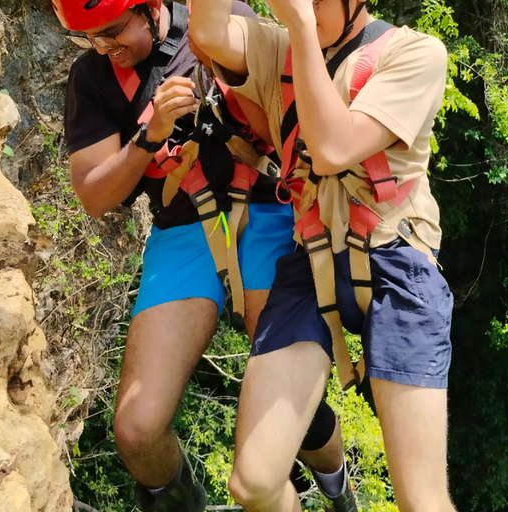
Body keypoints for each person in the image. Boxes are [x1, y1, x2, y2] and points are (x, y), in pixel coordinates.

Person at [51, 0, 356, 510]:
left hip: (266, 208)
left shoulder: (217, 19)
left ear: (149, 8)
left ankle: (337, 488)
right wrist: (148, 138)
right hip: (184, 230)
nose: (105, 48)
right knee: (136, 428)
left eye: (112, 32)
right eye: (92, 39)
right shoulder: (93, 79)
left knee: (285, 397)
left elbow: (290, 107)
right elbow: (94, 196)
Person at [190, 0, 457, 511]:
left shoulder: (416, 53)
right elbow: (206, 29)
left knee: (421, 499)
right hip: (311, 258)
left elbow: (334, 148)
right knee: (254, 482)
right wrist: (297, 29)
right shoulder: (273, 45)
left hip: (396, 259)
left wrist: (303, 28)